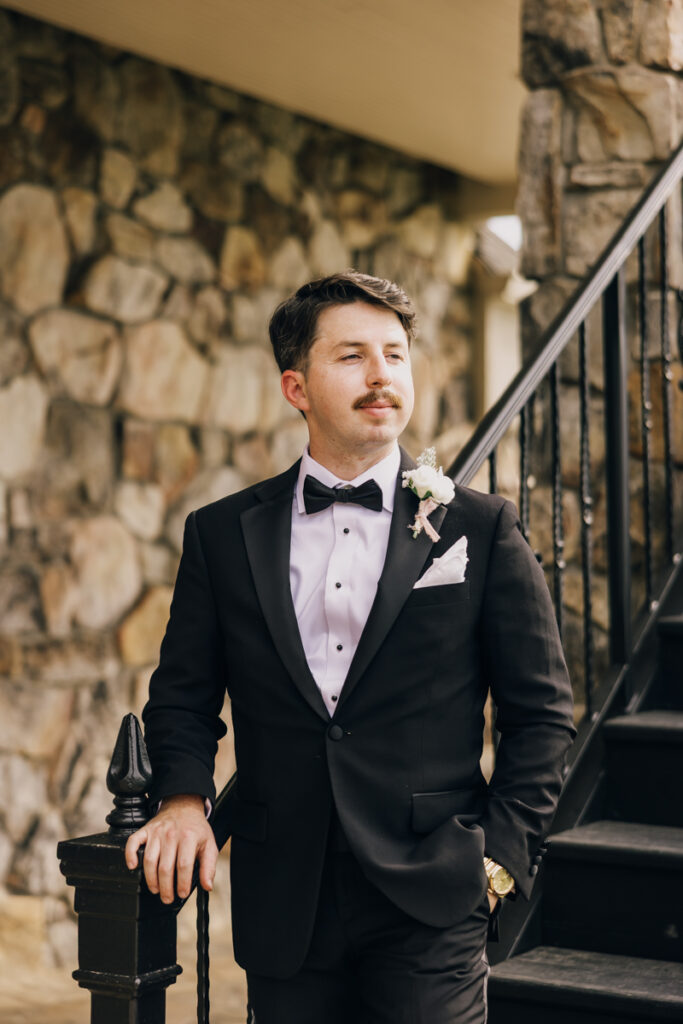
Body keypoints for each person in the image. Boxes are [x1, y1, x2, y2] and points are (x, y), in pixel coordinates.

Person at [125, 271, 575, 1024]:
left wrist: (495, 861)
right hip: (284, 893)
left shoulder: (479, 527)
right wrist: (181, 799)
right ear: (295, 387)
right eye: (352, 357)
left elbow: (542, 714)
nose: (381, 376)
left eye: (395, 355)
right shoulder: (221, 533)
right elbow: (183, 693)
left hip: (433, 890)